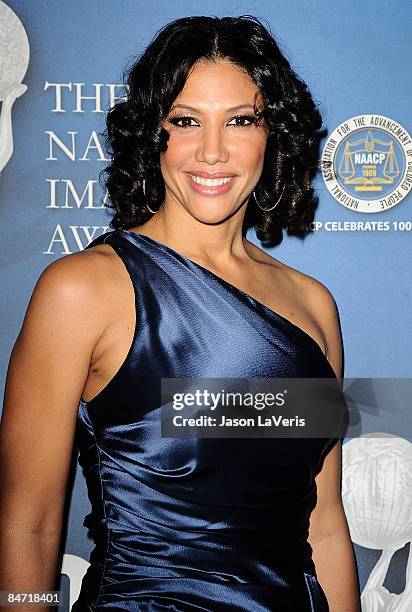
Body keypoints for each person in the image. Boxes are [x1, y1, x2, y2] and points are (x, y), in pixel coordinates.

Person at [0, 15, 361, 612]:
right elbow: (30, 523)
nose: (213, 151)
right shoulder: (84, 289)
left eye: (241, 120)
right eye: (186, 121)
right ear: (152, 133)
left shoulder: (312, 305)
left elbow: (322, 522)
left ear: (274, 134)